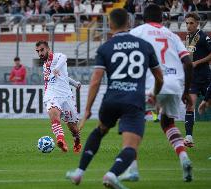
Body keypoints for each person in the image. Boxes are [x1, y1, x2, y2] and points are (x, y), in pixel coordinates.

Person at [66, 8, 163, 189]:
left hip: (111, 100)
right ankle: (111, 174)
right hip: (134, 101)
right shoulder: (144, 45)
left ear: (110, 25)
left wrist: (87, 109)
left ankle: (79, 173)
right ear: (129, 23)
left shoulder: (105, 48)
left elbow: (95, 80)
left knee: (100, 130)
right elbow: (159, 77)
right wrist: (154, 95)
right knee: (130, 147)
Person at [120, 3, 193, 182]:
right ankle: (184, 157)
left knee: (130, 121)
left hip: (151, 84)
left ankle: (132, 169)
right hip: (175, 85)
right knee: (168, 123)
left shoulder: (138, 32)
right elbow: (188, 63)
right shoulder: (172, 35)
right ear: (162, 19)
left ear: (144, 18)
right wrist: (185, 91)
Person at [35, 40, 82, 153]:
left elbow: (64, 58)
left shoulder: (57, 57)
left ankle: (77, 141)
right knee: (53, 114)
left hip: (66, 96)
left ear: (48, 49)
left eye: (42, 50)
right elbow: (60, 77)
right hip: (51, 94)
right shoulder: (45, 65)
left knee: (73, 128)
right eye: (37, 51)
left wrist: (75, 84)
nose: (40, 53)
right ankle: (61, 140)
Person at [184, 12, 211, 147]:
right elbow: (189, 58)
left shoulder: (203, 37)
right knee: (190, 104)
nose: (188, 26)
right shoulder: (189, 37)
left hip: (205, 77)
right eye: (187, 23)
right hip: (193, 78)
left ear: (197, 24)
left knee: (208, 104)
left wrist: (197, 63)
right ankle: (189, 137)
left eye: (191, 23)